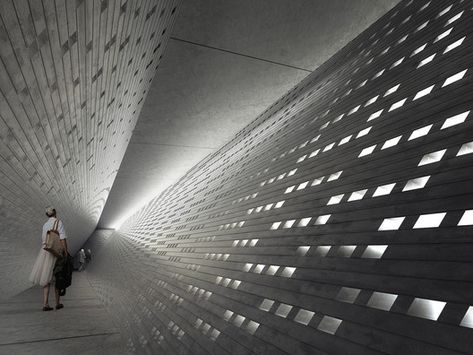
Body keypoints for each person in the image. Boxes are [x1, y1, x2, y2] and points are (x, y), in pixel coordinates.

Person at [29, 207, 69, 311]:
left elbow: (44, 238)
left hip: (45, 250)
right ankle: (58, 303)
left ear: (47, 215)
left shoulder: (45, 225)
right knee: (58, 275)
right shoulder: (58, 222)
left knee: (46, 277)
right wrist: (65, 251)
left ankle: (45, 304)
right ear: (55, 212)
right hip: (55, 252)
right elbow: (62, 238)